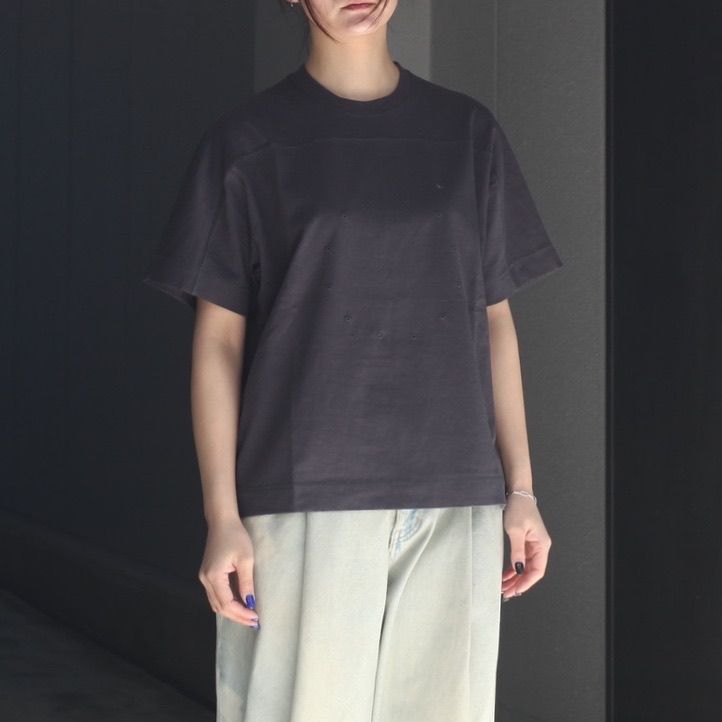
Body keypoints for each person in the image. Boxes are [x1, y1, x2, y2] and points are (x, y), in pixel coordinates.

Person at [142, 1, 564, 720]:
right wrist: (222, 515)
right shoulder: (247, 142)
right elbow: (218, 341)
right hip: (303, 495)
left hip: (456, 494)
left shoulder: (468, 133)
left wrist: (521, 488)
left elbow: (494, 318)